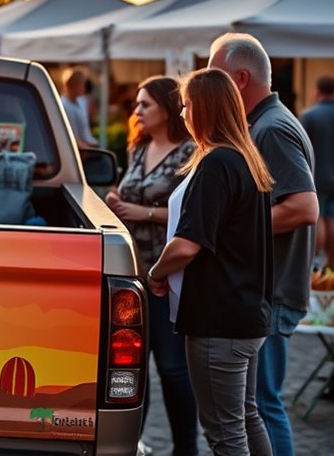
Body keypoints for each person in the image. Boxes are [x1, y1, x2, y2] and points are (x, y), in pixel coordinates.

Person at [148, 67, 274, 456]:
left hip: (217, 320)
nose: (183, 114)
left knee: (224, 433)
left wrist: (155, 271)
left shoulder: (217, 163)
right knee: (246, 418)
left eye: (186, 106)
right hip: (245, 313)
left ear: (203, 109)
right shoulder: (246, 159)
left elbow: (187, 244)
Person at [208, 33, 317, 456]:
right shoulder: (268, 123)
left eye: (216, 76)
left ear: (239, 78)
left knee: (262, 407)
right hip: (268, 291)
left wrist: (232, 230)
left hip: (272, 293)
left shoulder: (272, 128)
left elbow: (304, 208)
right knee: (257, 406)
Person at [105, 76, 199, 455]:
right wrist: (115, 201)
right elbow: (129, 193)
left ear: (167, 106)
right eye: (137, 105)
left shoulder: (189, 152)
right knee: (130, 369)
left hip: (167, 276)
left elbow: (191, 215)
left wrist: (141, 211)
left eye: (145, 104)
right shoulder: (139, 148)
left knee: (173, 369)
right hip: (131, 276)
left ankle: (186, 448)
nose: (137, 111)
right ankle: (128, 444)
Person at [300, 75, 334, 271]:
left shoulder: (310, 115)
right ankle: (331, 264)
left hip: (317, 175)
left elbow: (300, 146)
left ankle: (316, 263)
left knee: (319, 219)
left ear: (317, 91)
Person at [61, 67, 97, 148]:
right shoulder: (64, 105)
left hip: (88, 146)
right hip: (78, 149)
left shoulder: (81, 101)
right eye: (82, 84)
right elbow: (71, 135)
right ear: (74, 85)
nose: (84, 87)